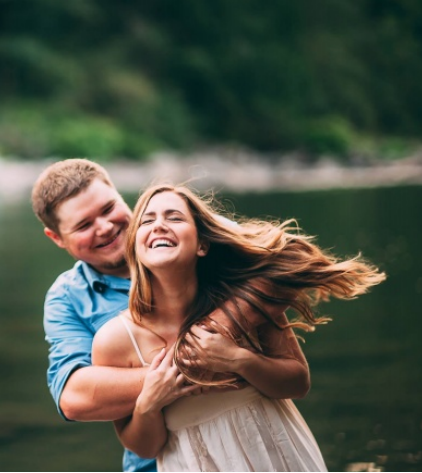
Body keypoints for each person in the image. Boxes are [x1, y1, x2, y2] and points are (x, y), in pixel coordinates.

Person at [32, 160, 326, 472]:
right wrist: (186, 365)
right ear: (57, 238)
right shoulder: (69, 299)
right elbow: (75, 398)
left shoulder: (197, 242)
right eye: (83, 225)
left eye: (108, 209)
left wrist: (222, 336)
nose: (104, 227)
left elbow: (291, 260)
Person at [92, 184, 386, 471]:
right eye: (147, 220)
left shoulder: (243, 301)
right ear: (135, 248)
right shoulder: (115, 339)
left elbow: (298, 383)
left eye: (175, 217)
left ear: (202, 245)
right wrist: (148, 404)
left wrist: (239, 360)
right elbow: (145, 448)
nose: (158, 225)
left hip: (276, 454)